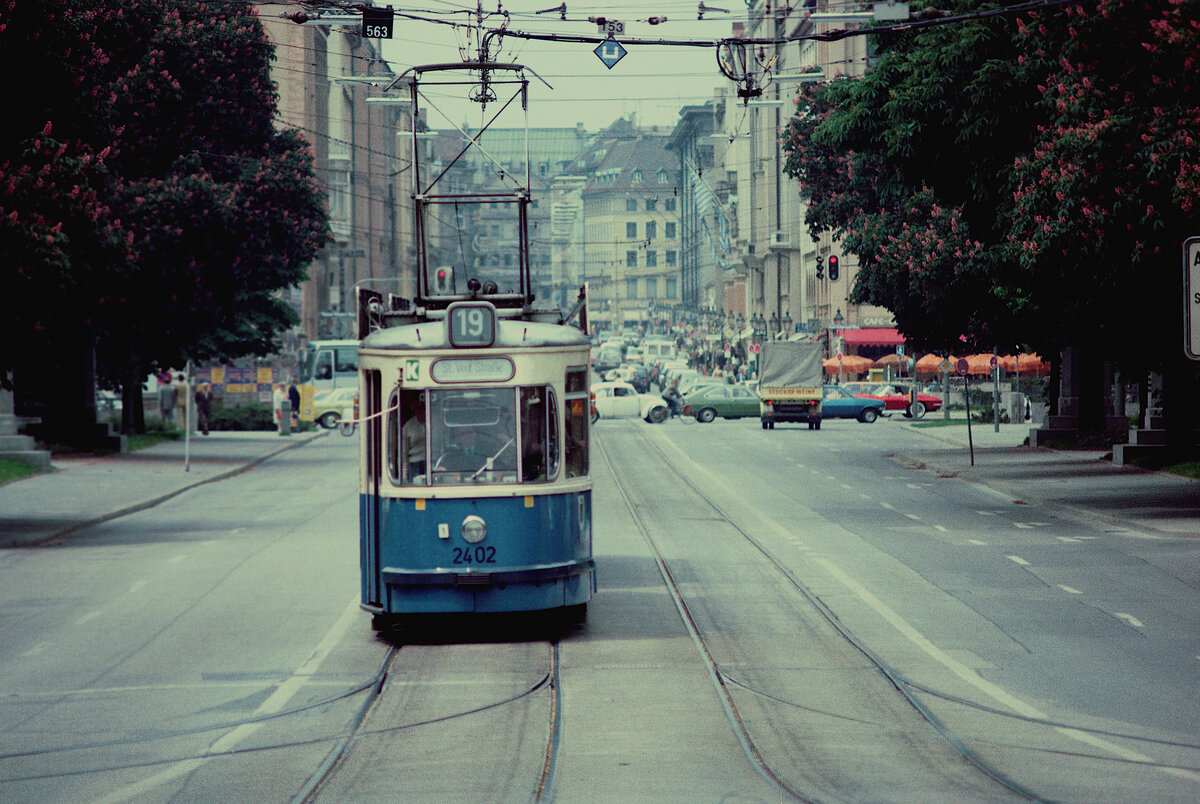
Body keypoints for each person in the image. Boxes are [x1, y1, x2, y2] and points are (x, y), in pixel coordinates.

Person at [402, 395, 426, 481]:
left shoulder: (436, 421)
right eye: (415, 404)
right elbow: (404, 453)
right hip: (414, 466)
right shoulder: (408, 427)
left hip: (434, 463)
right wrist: (404, 476)